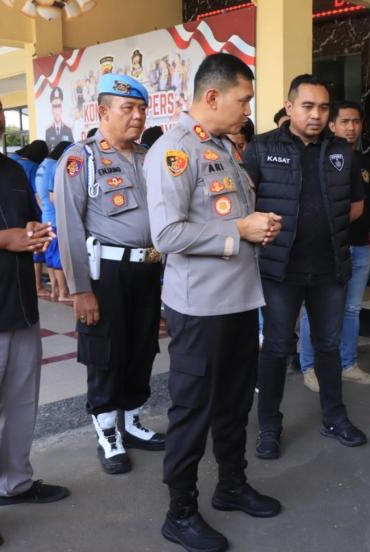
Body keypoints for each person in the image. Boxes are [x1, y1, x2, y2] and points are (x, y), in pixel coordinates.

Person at [147, 53, 283, 552]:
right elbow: (165, 233)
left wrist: (256, 227)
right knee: (192, 409)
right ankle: (179, 511)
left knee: (231, 404)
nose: (248, 108)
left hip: (240, 299)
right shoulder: (174, 151)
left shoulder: (224, 148)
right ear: (212, 97)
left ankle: (231, 485)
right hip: (199, 306)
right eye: (243, 98)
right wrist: (238, 230)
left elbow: (228, 216)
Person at [243, 74, 368, 461]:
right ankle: (269, 426)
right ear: (291, 106)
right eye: (308, 106)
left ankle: (334, 418)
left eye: (324, 108)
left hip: (329, 269)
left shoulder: (342, 152)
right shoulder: (262, 148)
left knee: (328, 346)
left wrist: (327, 228)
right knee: (277, 348)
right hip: (280, 271)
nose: (316, 115)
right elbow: (245, 207)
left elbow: (355, 204)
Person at [54, 73, 165, 476]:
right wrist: (80, 289)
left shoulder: (149, 156)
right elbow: (69, 227)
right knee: (105, 352)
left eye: (141, 109)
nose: (137, 117)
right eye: (128, 109)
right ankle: (107, 430)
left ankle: (132, 421)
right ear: (102, 111)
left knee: (142, 345)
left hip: (148, 269)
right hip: (106, 273)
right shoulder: (80, 159)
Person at [0, 72, 68, 552]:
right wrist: (4, 240)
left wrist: (34, 234)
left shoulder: (13, 170)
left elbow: (25, 223)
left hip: (20, 308)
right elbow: (0, 236)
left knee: (19, 406)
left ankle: (15, 482)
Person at [297, 100, 370, 392]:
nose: (351, 127)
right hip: (326, 248)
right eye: (345, 121)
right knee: (315, 310)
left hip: (359, 246)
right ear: (331, 125)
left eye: (356, 122)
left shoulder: (366, 162)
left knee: (352, 310)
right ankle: (309, 367)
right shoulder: (319, 158)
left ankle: (348, 364)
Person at [9, 140, 49, 296]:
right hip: (28, 214)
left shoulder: (12, 160)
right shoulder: (32, 167)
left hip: (12, 214)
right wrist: (43, 213)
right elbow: (36, 194)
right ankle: (37, 286)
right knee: (35, 249)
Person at [35, 140, 72, 302]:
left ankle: (54, 290)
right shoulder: (55, 166)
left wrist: (46, 212)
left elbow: (38, 196)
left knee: (50, 256)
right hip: (56, 220)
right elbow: (54, 196)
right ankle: (63, 293)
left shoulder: (42, 165)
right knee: (59, 257)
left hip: (46, 218)